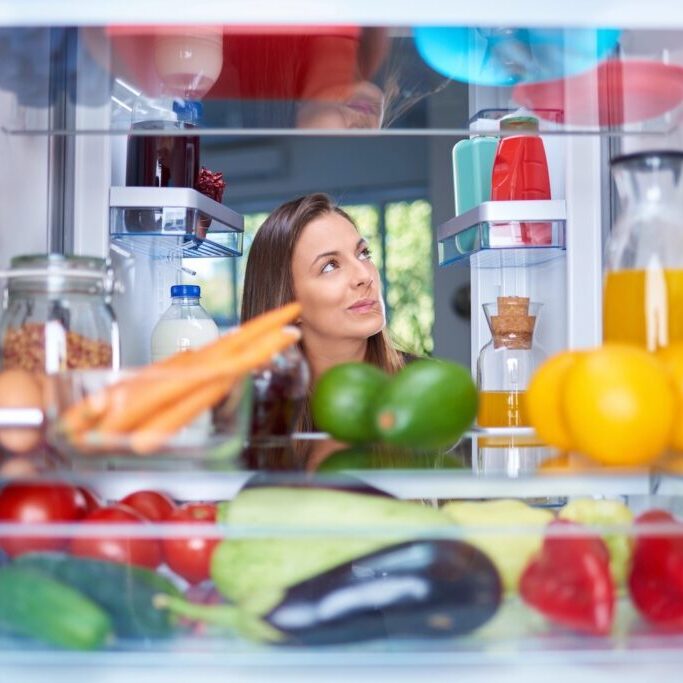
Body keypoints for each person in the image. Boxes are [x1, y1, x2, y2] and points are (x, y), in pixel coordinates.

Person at [241, 193, 407, 464]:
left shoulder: (420, 387)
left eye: (363, 254)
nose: (364, 276)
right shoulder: (251, 414)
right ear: (286, 303)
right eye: (330, 266)